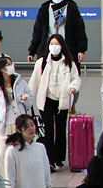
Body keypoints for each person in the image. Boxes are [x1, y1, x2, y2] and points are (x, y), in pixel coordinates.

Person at [27, 33, 80, 170]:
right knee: (49, 130)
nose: (54, 47)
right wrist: (27, 97)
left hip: (62, 100)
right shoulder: (42, 62)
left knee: (61, 130)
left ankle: (58, 157)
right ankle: (49, 158)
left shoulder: (69, 63)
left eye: (57, 44)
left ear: (62, 46)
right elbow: (34, 82)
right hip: (46, 100)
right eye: (52, 44)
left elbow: (75, 78)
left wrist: (73, 87)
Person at [29, 0, 88, 64]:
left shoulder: (72, 8)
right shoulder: (45, 8)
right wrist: (32, 51)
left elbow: (79, 30)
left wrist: (81, 50)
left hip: (68, 48)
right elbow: (37, 31)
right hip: (48, 48)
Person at [0, 56, 32, 175]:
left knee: (20, 151)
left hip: (19, 122)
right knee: (2, 154)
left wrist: (25, 99)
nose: (10, 67)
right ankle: (1, 179)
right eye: (7, 65)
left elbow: (30, 101)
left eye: (11, 64)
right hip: (4, 125)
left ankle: (21, 176)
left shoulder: (19, 81)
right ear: (0, 69)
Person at [4, 114, 51, 188]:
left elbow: (46, 175)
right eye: (26, 126)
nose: (31, 128)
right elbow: (10, 180)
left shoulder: (41, 148)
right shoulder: (12, 151)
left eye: (32, 125)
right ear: (19, 130)